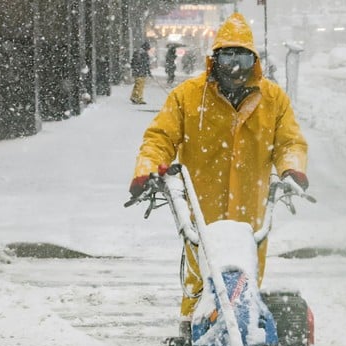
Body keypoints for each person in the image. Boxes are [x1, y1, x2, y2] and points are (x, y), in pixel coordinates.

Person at [129, 13, 308, 320]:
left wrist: (292, 169)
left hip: (250, 209)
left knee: (246, 277)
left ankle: (246, 329)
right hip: (203, 209)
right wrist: (147, 170)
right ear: (215, 59)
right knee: (200, 278)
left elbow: (289, 141)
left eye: (242, 56)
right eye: (227, 56)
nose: (235, 65)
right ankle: (192, 329)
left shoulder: (273, 99)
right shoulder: (188, 96)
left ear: (254, 60)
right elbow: (160, 137)